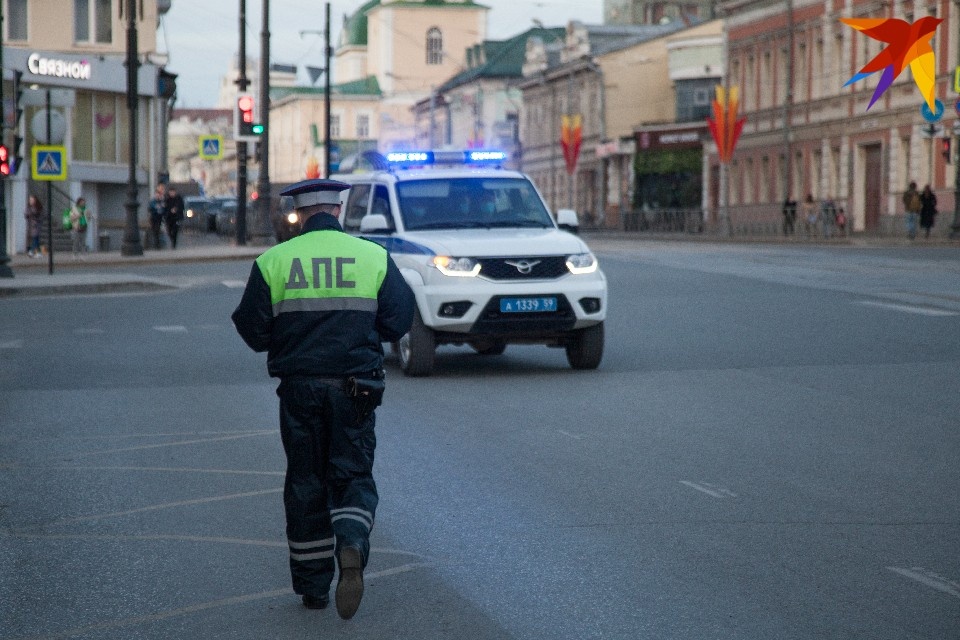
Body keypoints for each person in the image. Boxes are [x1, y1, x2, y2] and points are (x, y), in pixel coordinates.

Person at [231, 178, 414, 619]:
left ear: (299, 214)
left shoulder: (273, 261)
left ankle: (313, 586)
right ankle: (351, 542)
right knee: (352, 473)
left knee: (306, 480)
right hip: (356, 389)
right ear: (337, 210)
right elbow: (399, 320)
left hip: (299, 389)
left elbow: (252, 331)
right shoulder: (372, 256)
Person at [148, 184, 167, 249]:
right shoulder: (153, 201)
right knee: (155, 231)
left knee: (157, 230)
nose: (158, 196)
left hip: (159, 218)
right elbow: (150, 208)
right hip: (154, 217)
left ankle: (157, 244)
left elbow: (164, 209)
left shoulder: (162, 201)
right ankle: (156, 244)